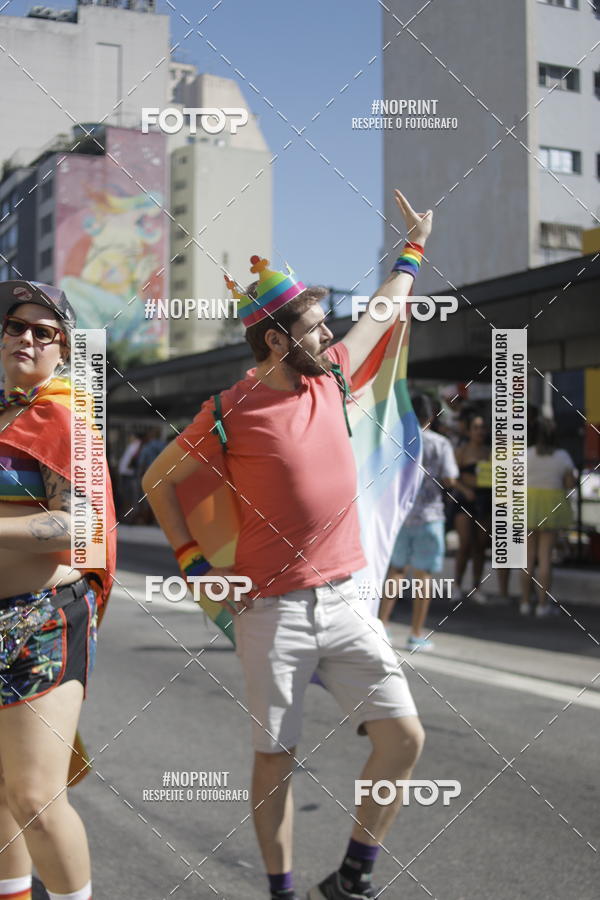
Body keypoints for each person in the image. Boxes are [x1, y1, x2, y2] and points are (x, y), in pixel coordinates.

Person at [143, 190, 432, 900]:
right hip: (269, 612)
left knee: (404, 739)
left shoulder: (329, 376)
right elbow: (157, 479)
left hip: (346, 601)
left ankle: (355, 876)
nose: (329, 334)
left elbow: (382, 312)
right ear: (276, 339)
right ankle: (282, 891)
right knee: (275, 760)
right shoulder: (229, 410)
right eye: (312, 324)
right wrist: (191, 562)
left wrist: (413, 249)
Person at [0, 281, 116, 900]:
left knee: (36, 799)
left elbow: (82, 523)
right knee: (0, 789)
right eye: (16, 325)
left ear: (61, 348)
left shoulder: (65, 418)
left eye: (44, 332)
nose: (26, 337)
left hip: (44, 621)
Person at [380, 394, 458, 650]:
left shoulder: (397, 440)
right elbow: (450, 479)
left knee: (396, 570)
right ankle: (415, 634)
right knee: (423, 575)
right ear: (432, 416)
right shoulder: (441, 443)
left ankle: (382, 626)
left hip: (401, 515)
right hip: (430, 516)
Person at [520, 418, 576, 616]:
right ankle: (543, 605)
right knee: (545, 558)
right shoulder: (562, 456)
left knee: (527, 558)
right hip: (552, 505)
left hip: (528, 503)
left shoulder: (526, 454)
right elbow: (570, 483)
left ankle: (525, 602)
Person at [452, 413, 492, 605]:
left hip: (485, 499)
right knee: (465, 543)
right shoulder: (461, 451)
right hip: (465, 500)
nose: (480, 431)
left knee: (481, 545)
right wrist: (465, 490)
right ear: (468, 430)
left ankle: (477, 586)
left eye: (483, 427)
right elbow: (452, 477)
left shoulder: (490, 452)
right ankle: (457, 585)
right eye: (476, 427)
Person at [117, 431, 144, 520]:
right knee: (127, 496)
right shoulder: (133, 445)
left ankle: (131, 516)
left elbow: (134, 459)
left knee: (130, 497)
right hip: (127, 473)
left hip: (130, 475)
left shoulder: (137, 445)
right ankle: (128, 516)